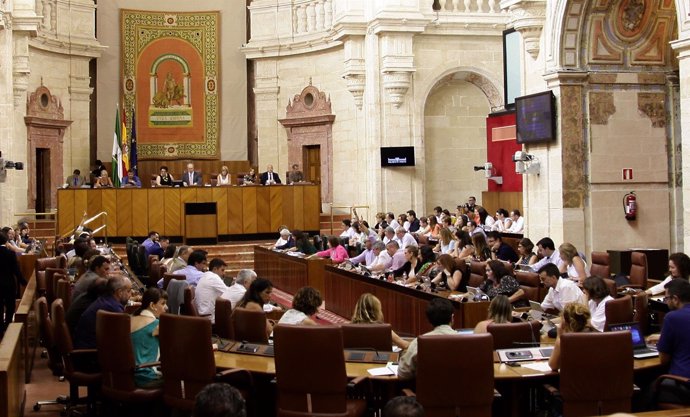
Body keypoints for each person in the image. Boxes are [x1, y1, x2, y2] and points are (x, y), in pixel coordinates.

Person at [646, 279, 690, 404]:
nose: (666, 301)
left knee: (644, 392)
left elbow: (663, 359)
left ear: (675, 299)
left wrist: (663, 343)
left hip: (683, 384)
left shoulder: (672, 317)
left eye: (666, 298)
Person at [397, 298, 456, 380]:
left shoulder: (418, 343)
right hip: (462, 392)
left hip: (426, 392)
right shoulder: (468, 343)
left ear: (429, 321)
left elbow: (402, 374)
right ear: (452, 318)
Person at [74, 275, 132, 349]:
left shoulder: (105, 299)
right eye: (129, 291)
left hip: (85, 344)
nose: (130, 295)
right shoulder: (114, 308)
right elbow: (124, 336)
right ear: (120, 292)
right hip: (89, 352)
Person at [130, 287, 167, 388]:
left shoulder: (130, 318)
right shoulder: (157, 325)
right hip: (146, 377)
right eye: (163, 303)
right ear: (152, 305)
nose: (166, 307)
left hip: (127, 377)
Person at [548, 303, 597, 371]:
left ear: (564, 322)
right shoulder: (597, 336)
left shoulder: (567, 341)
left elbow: (553, 366)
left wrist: (559, 336)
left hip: (572, 381)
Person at [0, 231, 26, 336]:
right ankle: (8, 324)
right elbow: (16, 271)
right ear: (6, 241)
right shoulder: (10, 253)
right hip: (9, 284)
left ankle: (0, 328)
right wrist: (23, 281)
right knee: (10, 306)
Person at [194, 258, 229, 323]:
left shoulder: (206, 275)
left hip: (203, 314)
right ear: (215, 269)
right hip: (209, 318)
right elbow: (229, 293)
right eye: (222, 270)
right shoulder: (213, 277)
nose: (224, 273)